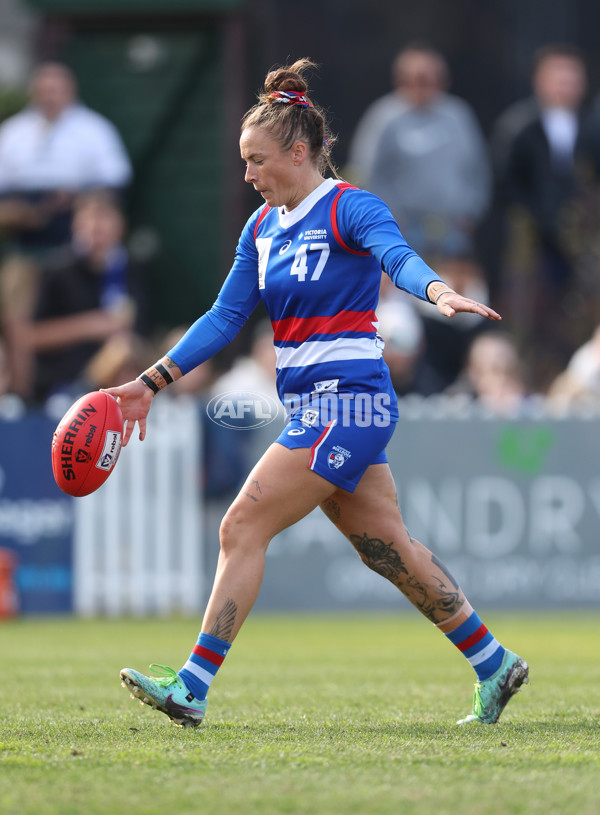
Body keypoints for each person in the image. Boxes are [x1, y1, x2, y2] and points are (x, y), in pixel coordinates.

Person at [108, 59, 528, 730]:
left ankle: (191, 686)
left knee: (241, 526)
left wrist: (438, 291)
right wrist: (149, 382)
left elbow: (397, 256)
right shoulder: (261, 228)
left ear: (299, 151)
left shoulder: (349, 206)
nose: (248, 174)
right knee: (387, 548)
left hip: (350, 402)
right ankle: (493, 662)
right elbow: (223, 317)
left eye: (257, 160)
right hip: (314, 407)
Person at [493, 44, 592, 390]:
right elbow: (508, 188)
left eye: (572, 78)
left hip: (583, 251)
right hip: (533, 249)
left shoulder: (592, 128)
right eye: (558, 77)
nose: (565, 86)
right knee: (530, 325)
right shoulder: (519, 127)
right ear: (540, 81)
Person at [347, 44, 491, 260]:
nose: (423, 88)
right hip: (402, 230)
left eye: (431, 80)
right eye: (416, 80)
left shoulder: (458, 116)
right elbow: (364, 173)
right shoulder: (383, 117)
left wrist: (471, 212)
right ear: (400, 81)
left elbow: (478, 169)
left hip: (454, 229)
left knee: (450, 292)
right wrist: (387, 219)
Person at [27, 189, 149, 402]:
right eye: (90, 217)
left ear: (120, 225)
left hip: (123, 382)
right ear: (76, 225)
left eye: (104, 217)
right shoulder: (56, 271)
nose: (96, 226)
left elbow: (141, 328)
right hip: (65, 387)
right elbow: (32, 336)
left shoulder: (129, 269)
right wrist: (89, 326)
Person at [0, 61, 131, 258]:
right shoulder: (13, 131)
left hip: (74, 232)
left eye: (55, 90)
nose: (49, 97)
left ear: (70, 90)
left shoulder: (95, 129)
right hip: (22, 237)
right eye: (43, 90)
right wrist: (17, 210)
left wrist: (77, 199)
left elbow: (116, 179)